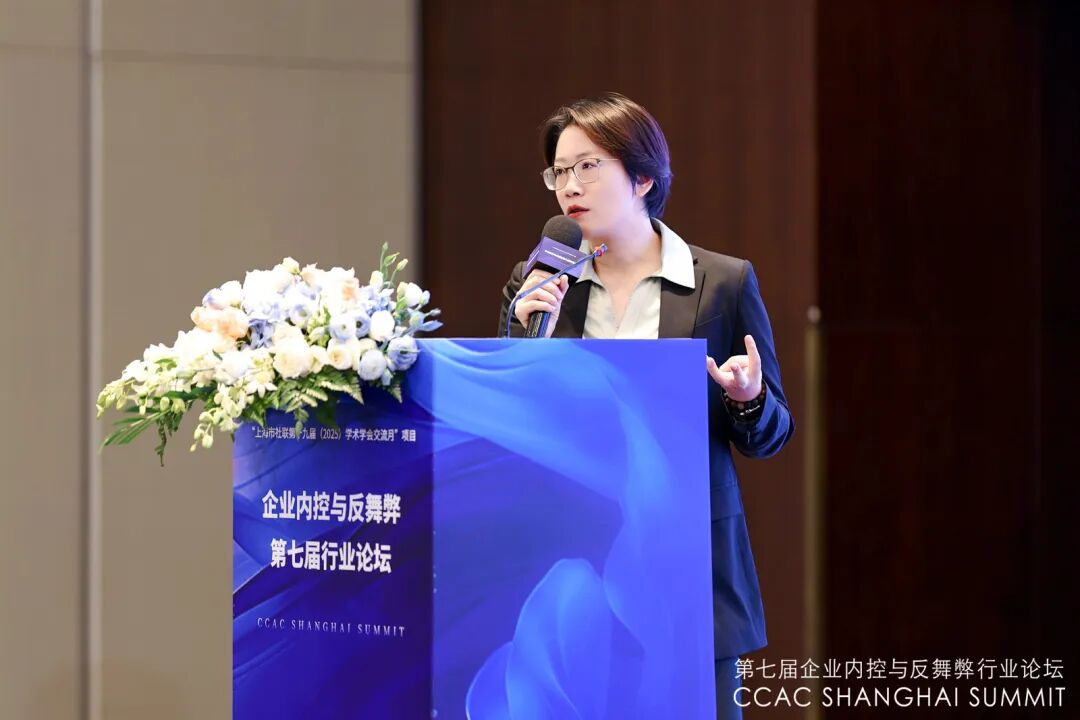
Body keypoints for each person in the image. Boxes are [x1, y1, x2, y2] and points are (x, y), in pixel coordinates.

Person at [497, 92, 795, 718]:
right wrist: (525, 338)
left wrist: (748, 397)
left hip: (691, 567)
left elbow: (771, 435)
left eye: (588, 166)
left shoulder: (722, 282)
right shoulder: (538, 284)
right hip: (574, 566)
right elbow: (516, 425)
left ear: (642, 178)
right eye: (559, 171)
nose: (568, 186)